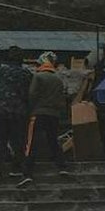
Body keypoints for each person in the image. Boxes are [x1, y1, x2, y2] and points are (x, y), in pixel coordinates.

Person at [17, 52, 70, 187]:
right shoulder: (58, 79)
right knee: (53, 140)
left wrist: (30, 109)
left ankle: (27, 172)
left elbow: (32, 94)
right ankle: (62, 166)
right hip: (54, 114)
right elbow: (62, 99)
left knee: (31, 141)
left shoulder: (38, 77)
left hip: (38, 113)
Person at [0, 46, 31, 185]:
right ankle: (17, 169)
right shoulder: (26, 74)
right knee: (18, 141)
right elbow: (29, 94)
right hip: (18, 111)